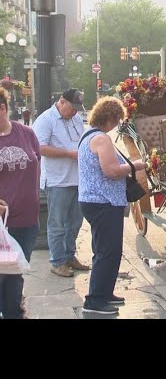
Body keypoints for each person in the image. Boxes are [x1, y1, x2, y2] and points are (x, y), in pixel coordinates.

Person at [78, 96, 145, 315]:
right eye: (117, 120)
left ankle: (105, 293)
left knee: (107, 250)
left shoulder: (90, 135)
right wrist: (135, 166)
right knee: (107, 251)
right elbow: (112, 171)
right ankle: (95, 301)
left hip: (97, 201)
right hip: (103, 202)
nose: (117, 125)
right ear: (109, 117)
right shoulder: (102, 139)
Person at [32, 88, 90, 278]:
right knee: (57, 223)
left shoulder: (75, 119)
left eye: (77, 108)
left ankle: (69, 256)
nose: (74, 111)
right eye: (72, 107)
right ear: (62, 102)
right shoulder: (46, 120)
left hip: (77, 178)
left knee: (74, 222)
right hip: (57, 180)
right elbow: (39, 148)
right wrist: (67, 154)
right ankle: (57, 261)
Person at [0, 87, 41, 319]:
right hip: (1, 223)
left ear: (3, 109)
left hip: (27, 218)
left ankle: (14, 313)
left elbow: (37, 164)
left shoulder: (26, 133)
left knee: (15, 273)